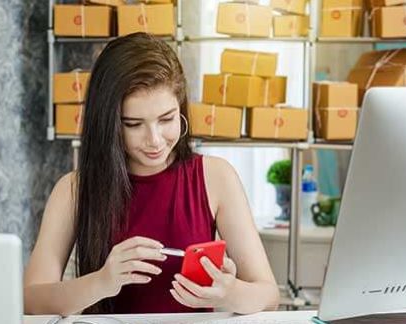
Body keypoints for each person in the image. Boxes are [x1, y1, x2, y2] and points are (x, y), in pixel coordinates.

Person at [23, 32, 278, 316]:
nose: (154, 140)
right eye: (133, 124)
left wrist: (230, 293)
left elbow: (268, 295)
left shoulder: (216, 176)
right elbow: (32, 300)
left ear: (181, 109)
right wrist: (102, 282)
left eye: (166, 119)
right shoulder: (73, 189)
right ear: (109, 124)